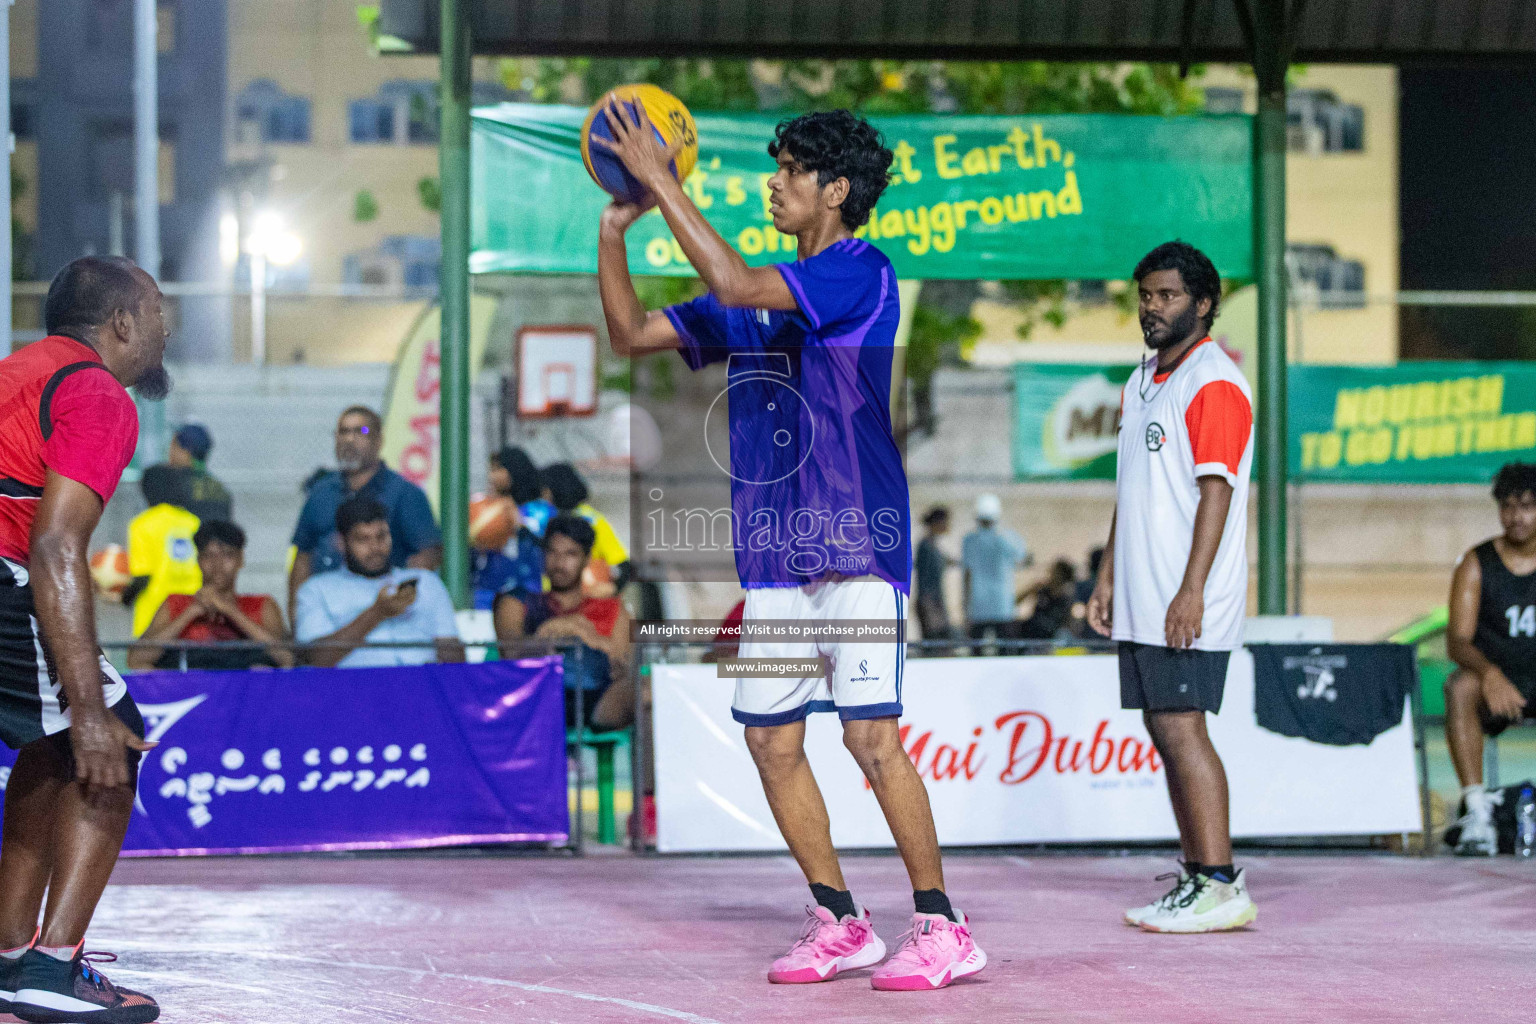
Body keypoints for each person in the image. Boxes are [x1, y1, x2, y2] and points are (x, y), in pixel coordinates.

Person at [595, 104, 984, 989]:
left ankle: (942, 924)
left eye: (791, 171)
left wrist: (659, 178)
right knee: (772, 744)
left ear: (836, 190)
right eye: (775, 168)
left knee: (872, 740)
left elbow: (733, 285)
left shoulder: (858, 272)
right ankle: (840, 920)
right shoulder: (760, 300)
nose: (773, 183)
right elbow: (630, 334)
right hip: (774, 559)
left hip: (857, 547)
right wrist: (618, 229)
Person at [0, 256, 168, 1019]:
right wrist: (91, 709)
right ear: (123, 323)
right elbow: (55, 548)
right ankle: (51, 968)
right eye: (158, 311)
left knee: (50, 745)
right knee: (110, 736)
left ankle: (9, 955)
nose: (166, 327)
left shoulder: (19, 374)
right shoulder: (97, 394)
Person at [1086, 240, 1257, 934]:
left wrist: (1191, 590)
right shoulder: (1142, 380)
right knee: (1165, 730)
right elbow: (1131, 488)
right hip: (1141, 595)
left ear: (1204, 304)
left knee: (1185, 730)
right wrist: (1106, 575)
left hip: (1187, 599)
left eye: (1166, 296)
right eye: (1145, 296)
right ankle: (1195, 877)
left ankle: (1220, 883)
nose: (1151, 309)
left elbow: (1216, 491)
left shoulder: (1213, 381)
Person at [1443, 461, 1536, 855]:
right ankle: (1478, 814)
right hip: (1494, 683)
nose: (1517, 517)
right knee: (1460, 685)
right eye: (1509, 506)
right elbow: (1457, 641)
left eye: (1528, 506)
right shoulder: (1476, 563)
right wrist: (1491, 672)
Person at [287, 406, 442, 619]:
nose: (350, 439)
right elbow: (303, 556)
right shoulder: (320, 492)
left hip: (385, 611)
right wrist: (297, 616)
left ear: (379, 441)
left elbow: (428, 554)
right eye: (343, 432)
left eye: (362, 432)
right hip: (325, 612)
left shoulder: (405, 493)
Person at [493, 514, 634, 731]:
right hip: (532, 697)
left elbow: (622, 667)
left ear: (587, 559)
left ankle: (652, 765)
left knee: (645, 692)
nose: (559, 563)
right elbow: (510, 652)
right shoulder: (516, 601)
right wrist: (547, 635)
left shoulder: (612, 610)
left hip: (596, 701)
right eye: (552, 552)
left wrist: (591, 639)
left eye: (570, 554)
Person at [295, 496, 463, 669]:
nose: (375, 547)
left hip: (421, 685)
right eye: (363, 539)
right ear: (341, 543)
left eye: (381, 536)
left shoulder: (426, 582)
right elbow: (315, 660)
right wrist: (377, 613)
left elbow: (454, 656)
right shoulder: (316, 590)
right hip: (355, 689)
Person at [128, 520, 292, 671]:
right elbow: (136, 661)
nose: (218, 565)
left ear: (241, 560)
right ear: (198, 560)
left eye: (228, 555)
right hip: (188, 694)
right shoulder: (176, 604)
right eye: (209, 555)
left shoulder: (262, 605)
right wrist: (192, 612)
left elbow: (287, 659)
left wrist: (230, 611)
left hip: (245, 697)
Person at [123, 464, 202, 637]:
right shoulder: (194, 523)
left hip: (154, 618)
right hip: (191, 615)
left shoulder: (142, 525)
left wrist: (125, 597)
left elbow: (143, 576)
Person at [541, 462, 632, 596]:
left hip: (579, 598)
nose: (543, 494)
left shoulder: (592, 521)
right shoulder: (545, 517)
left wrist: (611, 589)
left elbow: (624, 564)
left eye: (545, 488)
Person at [961, 493, 1029, 643]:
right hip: (1001, 607)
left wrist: (965, 608)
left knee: (978, 650)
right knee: (1005, 650)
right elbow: (1022, 560)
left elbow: (967, 575)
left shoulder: (970, 540)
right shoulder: (1007, 538)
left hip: (981, 607)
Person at [161, 422, 232, 523]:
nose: (170, 451)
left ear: (185, 452)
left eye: (173, 445)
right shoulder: (219, 489)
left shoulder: (170, 486)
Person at [914, 506, 956, 647]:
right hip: (929, 603)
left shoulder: (932, 545)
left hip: (935, 601)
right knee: (935, 643)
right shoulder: (925, 546)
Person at [1013, 559, 1077, 640]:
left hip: (1052, 636)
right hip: (1031, 630)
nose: (1050, 575)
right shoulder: (1042, 590)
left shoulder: (1067, 597)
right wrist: (1031, 589)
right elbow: (1015, 601)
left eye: (1055, 572)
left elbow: (1069, 622)